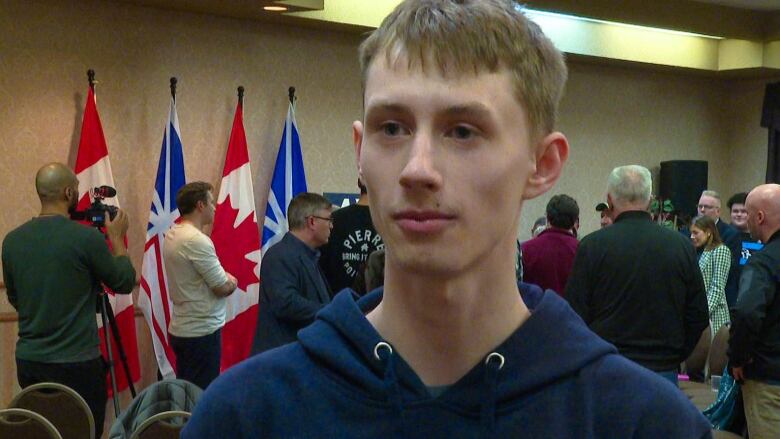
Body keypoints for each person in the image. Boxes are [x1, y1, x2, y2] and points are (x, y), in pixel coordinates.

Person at [184, 2, 710, 438]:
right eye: (392, 127)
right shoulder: (246, 416)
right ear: (360, 152)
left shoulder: (643, 422)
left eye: (462, 131)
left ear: (542, 164)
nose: (417, 169)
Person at [2, 162, 136, 438]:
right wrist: (118, 239)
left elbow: (16, 298)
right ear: (67, 192)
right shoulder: (86, 238)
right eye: (76, 189)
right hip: (78, 365)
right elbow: (123, 281)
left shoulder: (11, 241)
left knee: (39, 431)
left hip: (30, 363)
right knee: (82, 431)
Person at [566, 165, 709, 386]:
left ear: (609, 200)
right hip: (662, 371)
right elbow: (698, 314)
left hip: (606, 367)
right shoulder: (680, 246)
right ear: (650, 200)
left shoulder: (591, 246)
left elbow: (574, 313)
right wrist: (674, 355)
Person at [164, 181, 237, 390]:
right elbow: (221, 287)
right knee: (199, 397)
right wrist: (232, 281)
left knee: (188, 396)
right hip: (201, 334)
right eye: (211, 202)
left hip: (184, 329)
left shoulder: (173, 233)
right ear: (200, 205)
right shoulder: (197, 240)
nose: (215, 207)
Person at [251, 192, 333, 355]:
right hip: (282, 357)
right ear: (312, 221)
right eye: (329, 219)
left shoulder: (307, 255)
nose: (332, 226)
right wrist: (330, 311)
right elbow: (285, 303)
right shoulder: (280, 256)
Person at [728, 184, 780, 438]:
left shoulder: (763, 262)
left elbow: (747, 312)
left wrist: (737, 358)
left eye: (748, 214)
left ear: (760, 217)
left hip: (769, 380)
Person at [319, 178, 384, 297]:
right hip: (378, 305)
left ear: (359, 184)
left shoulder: (335, 219)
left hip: (339, 304)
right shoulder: (388, 222)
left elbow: (321, 268)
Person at [521, 194, 579, 295]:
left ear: (547, 217)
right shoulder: (582, 251)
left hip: (535, 309)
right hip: (570, 310)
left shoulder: (525, 249)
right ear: (575, 221)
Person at [698, 190, 742, 308]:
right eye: (700, 206)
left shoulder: (731, 235)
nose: (702, 210)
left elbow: (728, 271)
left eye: (707, 207)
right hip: (695, 296)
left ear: (718, 211)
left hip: (721, 301)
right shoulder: (688, 232)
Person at [689, 215, 731, 336]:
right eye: (691, 233)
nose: (692, 237)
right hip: (697, 315)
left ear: (708, 232)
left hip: (714, 316)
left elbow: (717, 287)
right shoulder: (696, 252)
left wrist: (702, 312)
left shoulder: (721, 250)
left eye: (696, 233)